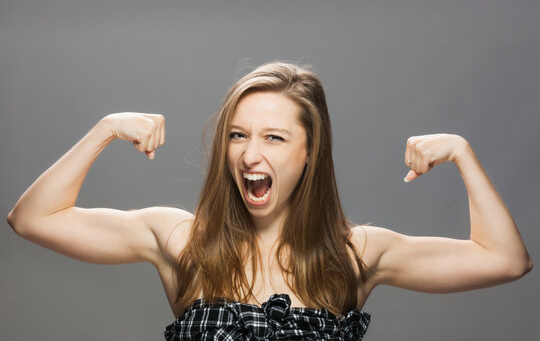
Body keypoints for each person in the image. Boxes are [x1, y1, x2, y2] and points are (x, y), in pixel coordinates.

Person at [7, 62, 532, 340]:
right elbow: (32, 218)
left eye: (274, 138)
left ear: (310, 153)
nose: (249, 154)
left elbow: (505, 260)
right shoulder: (181, 239)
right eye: (238, 135)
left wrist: (463, 154)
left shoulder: (356, 254)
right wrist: (106, 129)